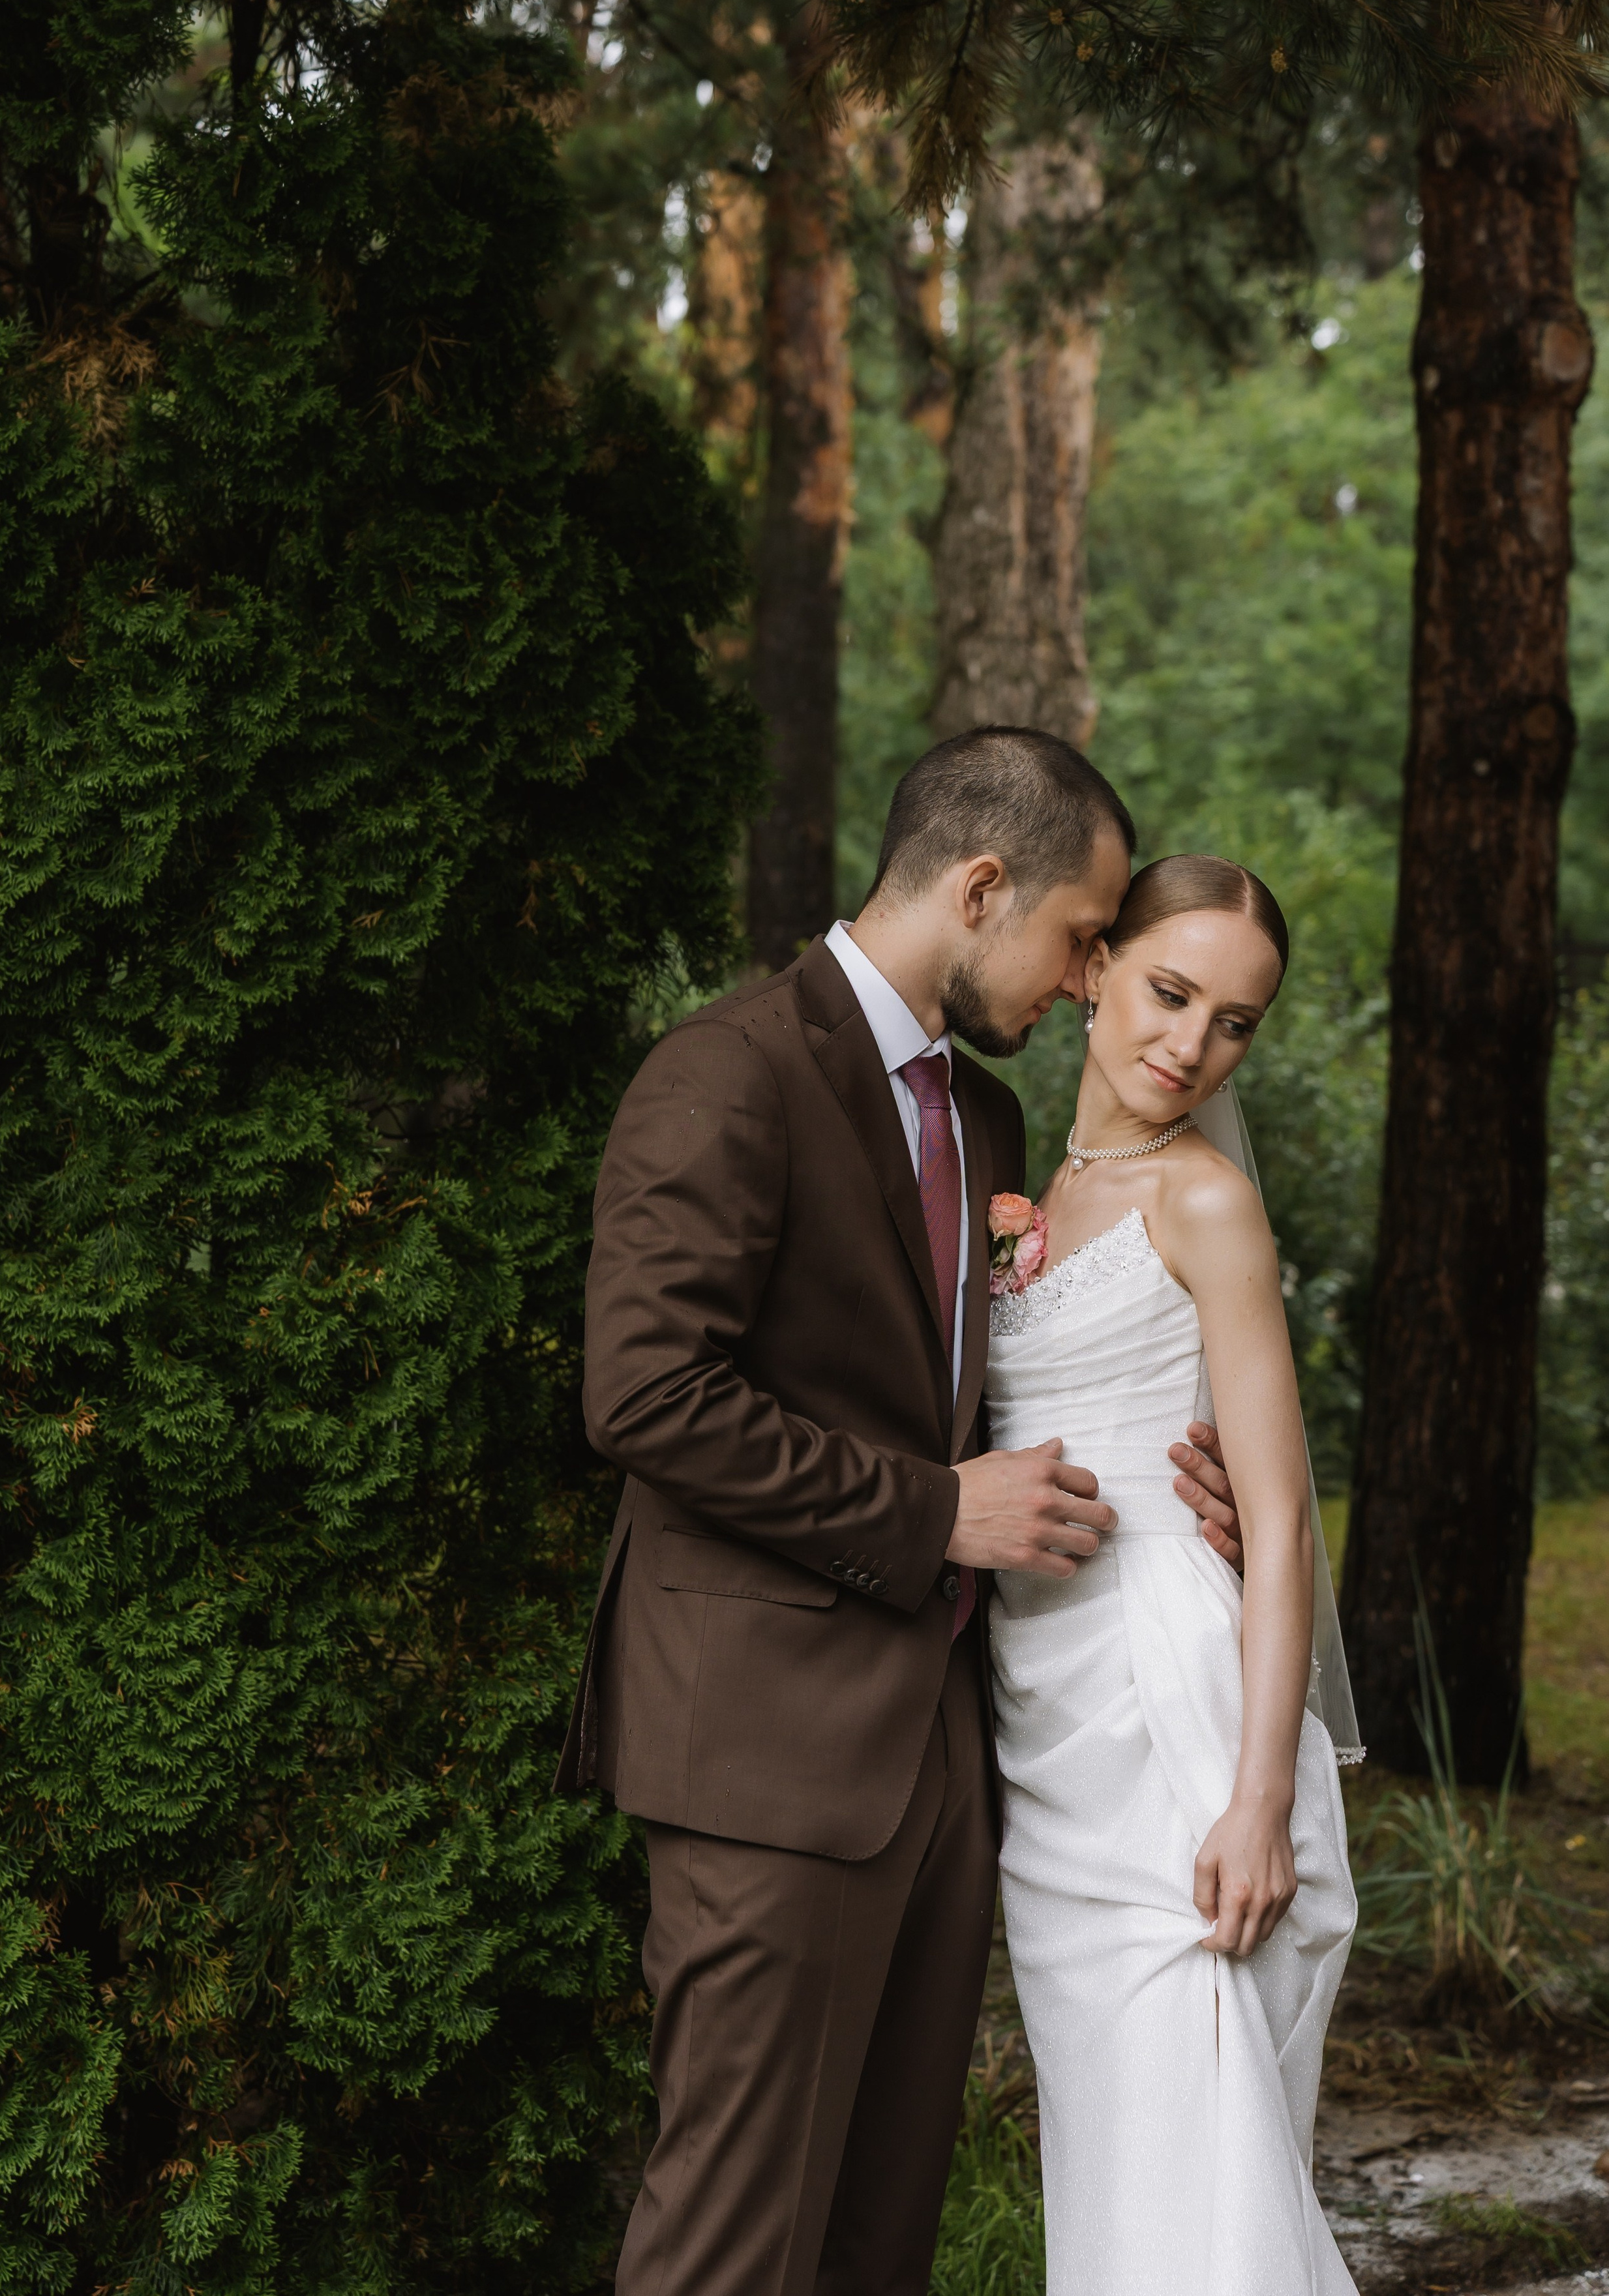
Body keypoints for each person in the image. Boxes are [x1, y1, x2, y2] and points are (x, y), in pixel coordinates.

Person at [556, 729, 1244, 2296]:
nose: (1086, 978)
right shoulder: (725, 1073)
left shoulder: (986, 1125)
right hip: (764, 1749)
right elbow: (645, 1396)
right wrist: (932, 1514)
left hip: (944, 1753)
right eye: (1081, 936)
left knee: (880, 2240)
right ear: (980, 887)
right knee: (734, 2240)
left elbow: (984, 1398)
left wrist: (1181, 1483)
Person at [988, 852, 1359, 2296]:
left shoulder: (1205, 1204)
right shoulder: (1033, 1195)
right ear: (1091, 971)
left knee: (1200, 2177)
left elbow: (1277, 1516)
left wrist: (1257, 1802)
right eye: (1168, 991)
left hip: (1173, 1715)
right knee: (1119, 2170)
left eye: (1234, 1021)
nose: (1191, 1044)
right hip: (1047, 1733)